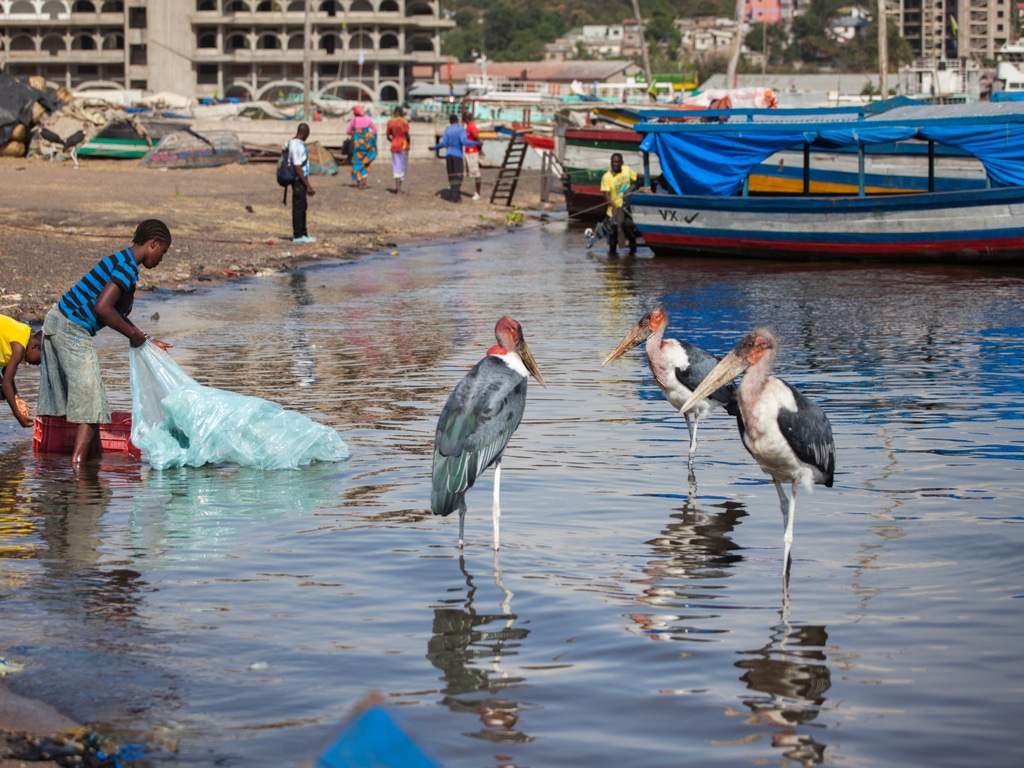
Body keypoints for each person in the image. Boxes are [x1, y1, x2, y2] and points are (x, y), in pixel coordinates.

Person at [38, 219, 173, 465]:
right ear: (153, 243)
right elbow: (103, 308)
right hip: (70, 326)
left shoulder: (123, 261)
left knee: (91, 405)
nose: (161, 259)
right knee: (91, 404)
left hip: (62, 322)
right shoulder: (127, 268)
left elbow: (115, 313)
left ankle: (93, 464)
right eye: (163, 252)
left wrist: (146, 339)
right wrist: (135, 337)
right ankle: (78, 471)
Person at [0, 314, 42, 428]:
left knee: (4, 393)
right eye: (41, 358)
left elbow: (6, 372)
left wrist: (17, 398)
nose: (39, 363)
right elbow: (6, 384)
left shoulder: (24, 335)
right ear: (35, 346)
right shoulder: (19, 348)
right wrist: (19, 417)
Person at [430, 113, 477, 203]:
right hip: (457, 155)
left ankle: (453, 192)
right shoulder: (461, 129)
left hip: (448, 154)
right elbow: (464, 141)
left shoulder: (448, 130)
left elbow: (443, 143)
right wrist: (475, 143)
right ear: (457, 120)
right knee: (458, 175)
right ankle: (454, 196)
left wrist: (434, 147)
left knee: (451, 175)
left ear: (450, 121)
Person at [600, 152, 639, 255]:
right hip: (614, 211)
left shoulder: (627, 170)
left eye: (617, 162)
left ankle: (632, 255)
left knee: (630, 233)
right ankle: (613, 261)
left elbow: (637, 178)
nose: (614, 164)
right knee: (613, 241)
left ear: (622, 163)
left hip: (627, 207)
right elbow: (606, 195)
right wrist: (613, 206)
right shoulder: (606, 177)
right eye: (613, 162)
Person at [285, 123, 316, 244]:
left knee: (303, 206)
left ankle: (303, 233)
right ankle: (298, 235)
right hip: (298, 180)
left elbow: (284, 151)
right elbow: (298, 167)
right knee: (298, 207)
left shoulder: (291, 142)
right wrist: (308, 185)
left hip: (300, 178)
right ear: (304, 133)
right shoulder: (296, 145)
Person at [346, 105, 377, 190]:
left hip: (357, 146)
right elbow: (374, 130)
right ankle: (364, 183)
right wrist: (368, 137)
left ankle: (359, 184)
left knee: (356, 163)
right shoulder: (368, 119)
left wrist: (356, 135)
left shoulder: (354, 120)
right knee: (365, 163)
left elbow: (348, 131)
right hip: (366, 145)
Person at [386, 106, 410, 194]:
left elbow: (388, 136)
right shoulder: (404, 121)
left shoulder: (390, 122)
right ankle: (399, 188)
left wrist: (393, 141)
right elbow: (406, 133)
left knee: (396, 165)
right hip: (403, 144)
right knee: (402, 165)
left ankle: (397, 187)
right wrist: (408, 143)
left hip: (394, 145)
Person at [462, 111, 483, 201]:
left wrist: (480, 150)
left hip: (472, 152)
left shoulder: (471, 126)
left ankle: (478, 193)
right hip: (467, 151)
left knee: (475, 172)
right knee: (465, 171)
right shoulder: (467, 127)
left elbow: (477, 139)